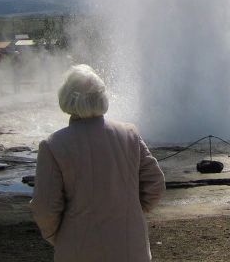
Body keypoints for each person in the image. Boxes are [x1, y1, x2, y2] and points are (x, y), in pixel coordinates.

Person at [31, 64, 165, 261]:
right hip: (130, 247)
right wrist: (131, 212)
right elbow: (155, 184)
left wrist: (57, 236)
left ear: (66, 98)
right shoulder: (129, 134)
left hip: (78, 248)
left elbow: (45, 206)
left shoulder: (53, 145)